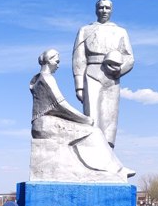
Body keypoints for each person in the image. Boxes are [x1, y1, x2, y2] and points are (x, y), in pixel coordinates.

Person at [30, 48, 133, 180]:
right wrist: (83, 119)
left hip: (46, 122)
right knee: (94, 132)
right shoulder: (47, 79)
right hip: (46, 124)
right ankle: (114, 170)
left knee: (93, 130)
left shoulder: (39, 78)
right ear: (49, 61)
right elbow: (60, 105)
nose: (58, 65)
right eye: (57, 61)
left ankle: (114, 169)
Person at [73, 0, 134, 148]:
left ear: (112, 10)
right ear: (96, 10)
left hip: (112, 76)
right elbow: (79, 58)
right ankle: (93, 151)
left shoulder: (120, 31)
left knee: (109, 117)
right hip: (92, 73)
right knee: (92, 116)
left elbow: (130, 57)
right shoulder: (85, 30)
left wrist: (120, 69)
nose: (104, 11)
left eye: (107, 8)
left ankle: (107, 155)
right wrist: (79, 86)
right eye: (101, 8)